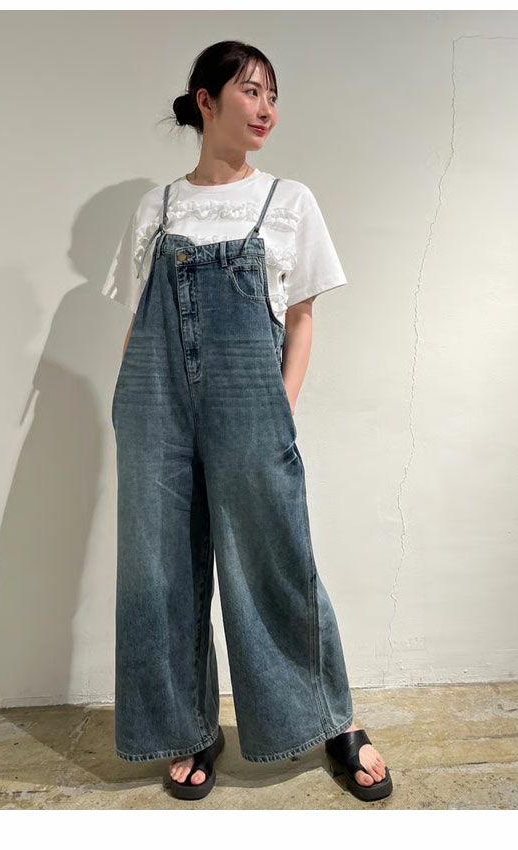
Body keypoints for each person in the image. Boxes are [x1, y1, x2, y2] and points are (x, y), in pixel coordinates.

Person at [102, 40, 392, 804]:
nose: (266, 109)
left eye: (272, 95)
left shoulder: (289, 202)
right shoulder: (157, 207)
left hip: (252, 402)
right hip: (153, 401)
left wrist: (277, 410)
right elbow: (139, 321)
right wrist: (131, 403)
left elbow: (301, 321)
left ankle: (330, 719)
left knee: (275, 560)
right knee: (158, 568)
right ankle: (187, 729)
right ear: (207, 101)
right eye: (251, 91)